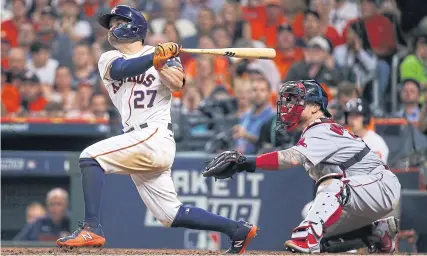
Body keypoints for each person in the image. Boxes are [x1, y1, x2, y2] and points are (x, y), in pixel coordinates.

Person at [56, 5, 258, 254]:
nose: (112, 28)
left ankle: (92, 227)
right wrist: (155, 58)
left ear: (136, 27)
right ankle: (237, 230)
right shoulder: (108, 58)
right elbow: (122, 71)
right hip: (137, 138)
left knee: (90, 157)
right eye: (111, 25)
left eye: (118, 23)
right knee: (169, 214)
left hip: (154, 135)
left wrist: (162, 63)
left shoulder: (161, 55)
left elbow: (177, 85)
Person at [203, 80, 401, 253]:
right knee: (311, 212)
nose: (290, 106)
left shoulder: (321, 128)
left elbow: (291, 158)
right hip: (362, 193)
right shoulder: (313, 132)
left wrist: (246, 162)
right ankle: (376, 232)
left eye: (297, 101)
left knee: (331, 187)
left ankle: (308, 240)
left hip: (379, 185)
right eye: (289, 101)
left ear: (315, 107)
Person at [344, 98, 389, 163]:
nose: (352, 120)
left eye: (356, 116)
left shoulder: (376, 142)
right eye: (350, 115)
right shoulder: (345, 140)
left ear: (365, 118)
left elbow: (375, 171)